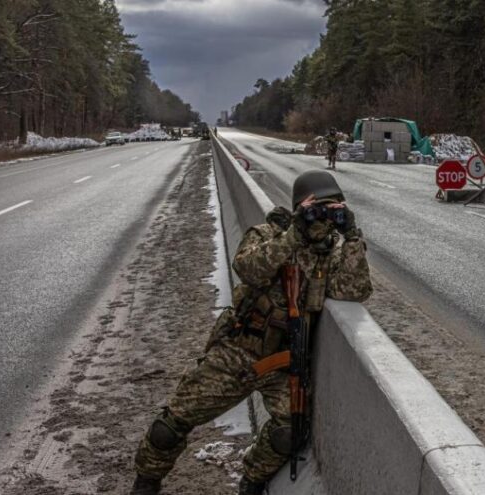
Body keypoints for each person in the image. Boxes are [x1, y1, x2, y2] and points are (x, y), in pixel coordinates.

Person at [131, 170, 373, 495]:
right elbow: (247, 268)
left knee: (289, 432)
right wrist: (295, 234)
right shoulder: (268, 233)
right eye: (319, 206)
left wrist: (353, 237)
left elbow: (354, 290)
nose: (325, 216)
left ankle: (252, 481)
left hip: (285, 361)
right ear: (300, 206)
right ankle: (146, 482)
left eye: (335, 207)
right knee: (170, 426)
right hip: (238, 352)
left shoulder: (332, 253)